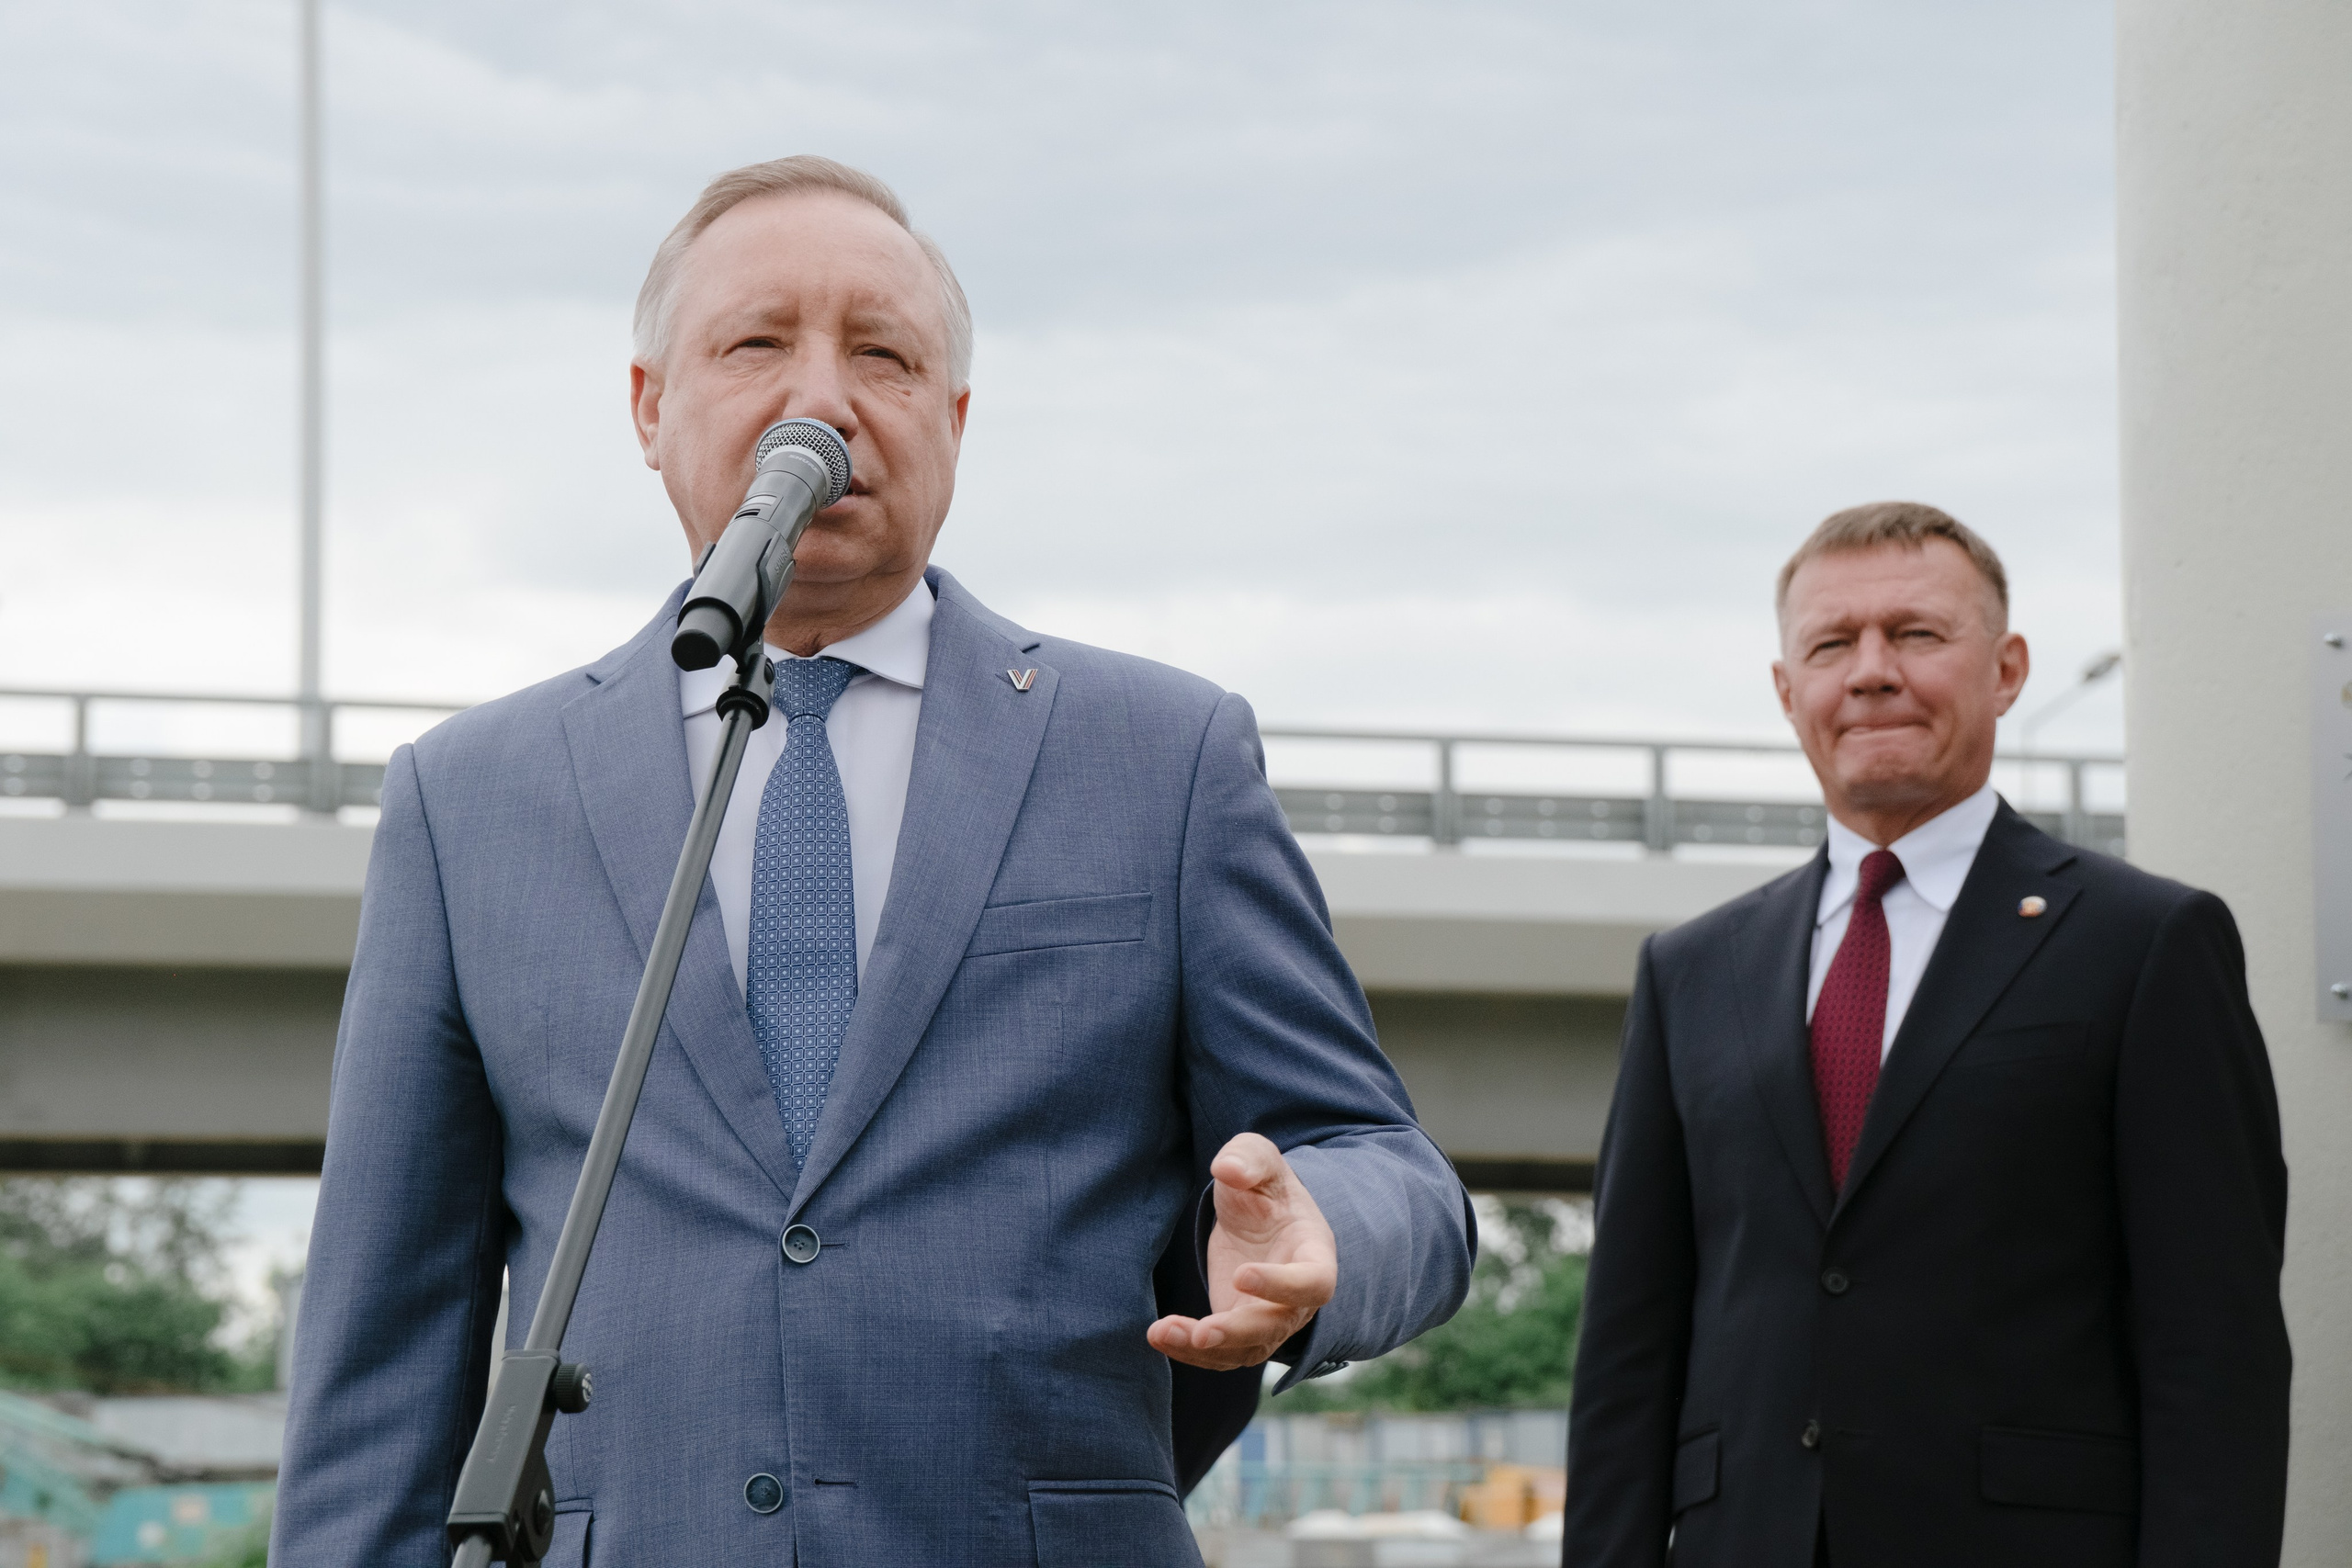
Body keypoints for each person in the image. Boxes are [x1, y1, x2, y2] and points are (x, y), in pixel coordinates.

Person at [271, 156, 1473, 1567]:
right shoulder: (468, 801)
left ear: (954, 422)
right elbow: (379, 1356)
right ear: (652, 407)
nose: (821, 399)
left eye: (883, 355)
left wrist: (1323, 1235)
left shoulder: (1162, 757)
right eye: (757, 341)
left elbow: (1388, 1162)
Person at [1560, 503, 2290, 1567]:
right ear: (1785, 691)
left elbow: (2211, 1351)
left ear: (2005, 670)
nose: (1868, 673)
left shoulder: (2147, 945)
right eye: (1830, 645)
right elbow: (1628, 1352)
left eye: (1914, 634)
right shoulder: (1688, 971)